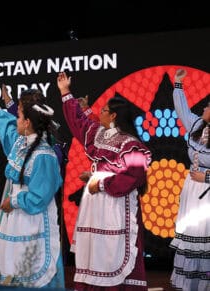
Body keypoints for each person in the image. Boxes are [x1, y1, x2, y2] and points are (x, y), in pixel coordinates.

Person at [57, 72, 150, 290]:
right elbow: (80, 123)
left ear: (114, 116)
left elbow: (133, 177)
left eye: (105, 110)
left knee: (113, 251)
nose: (100, 112)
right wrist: (65, 92)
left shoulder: (132, 144)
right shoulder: (100, 134)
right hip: (96, 204)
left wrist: (99, 182)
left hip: (118, 205)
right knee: (96, 251)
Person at [0, 76, 64, 288]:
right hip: (17, 220)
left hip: (33, 221)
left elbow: (39, 197)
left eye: (18, 115)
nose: (14, 118)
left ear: (27, 122)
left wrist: (14, 201)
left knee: (32, 270)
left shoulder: (44, 154)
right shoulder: (20, 144)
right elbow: (4, 126)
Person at [170, 68, 210, 291]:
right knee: (191, 237)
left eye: (208, 106)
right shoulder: (197, 125)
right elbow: (182, 109)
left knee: (206, 240)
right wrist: (178, 85)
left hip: (207, 193)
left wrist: (207, 175)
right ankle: (191, 284)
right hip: (192, 192)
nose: (204, 108)